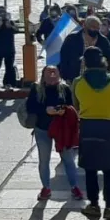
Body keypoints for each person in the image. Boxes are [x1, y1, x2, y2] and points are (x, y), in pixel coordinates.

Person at [74, 48, 110, 220]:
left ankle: (93, 205)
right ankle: (109, 207)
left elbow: (76, 104)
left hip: (87, 126)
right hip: (108, 127)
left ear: (85, 62)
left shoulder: (78, 82)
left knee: (90, 168)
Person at [28, 66, 81, 200]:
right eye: (49, 73)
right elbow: (30, 107)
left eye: (54, 72)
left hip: (61, 129)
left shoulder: (65, 88)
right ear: (43, 75)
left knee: (68, 159)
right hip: (42, 128)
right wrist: (45, 110)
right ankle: (46, 188)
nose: (52, 75)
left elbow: (71, 106)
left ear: (59, 75)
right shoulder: (36, 88)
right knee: (44, 160)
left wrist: (64, 110)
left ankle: (74, 187)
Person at [60, 16, 110, 84]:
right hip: (74, 79)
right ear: (84, 26)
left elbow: (108, 60)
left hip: (97, 81)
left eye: (97, 28)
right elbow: (64, 58)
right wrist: (66, 77)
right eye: (93, 27)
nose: (95, 29)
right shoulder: (72, 39)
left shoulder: (104, 41)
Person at [0, 8, 18, 91]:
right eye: (0, 12)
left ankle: (7, 84)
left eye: (3, 12)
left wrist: (10, 26)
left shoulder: (10, 22)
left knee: (9, 68)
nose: (2, 14)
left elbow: (17, 30)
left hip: (9, 49)